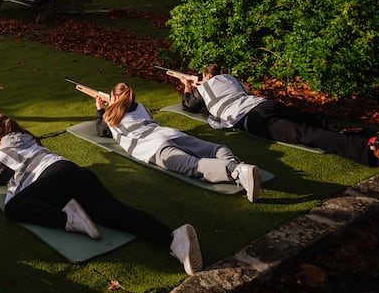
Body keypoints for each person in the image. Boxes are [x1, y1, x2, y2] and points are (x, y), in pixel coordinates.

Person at [0, 114, 203, 276]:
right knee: (115, 212)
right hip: (73, 171)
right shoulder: (27, 138)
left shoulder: (3, 149)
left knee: (13, 208)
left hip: (53, 179)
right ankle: (172, 238)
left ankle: (68, 219)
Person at [180, 64, 379, 168]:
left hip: (250, 119)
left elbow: (189, 106)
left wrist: (188, 87)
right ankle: (364, 135)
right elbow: (241, 91)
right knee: (310, 119)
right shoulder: (231, 78)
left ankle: (369, 151)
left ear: (206, 75)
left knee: (305, 134)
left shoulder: (204, 88)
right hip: (263, 104)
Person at [94, 81, 261, 202]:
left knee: (193, 166)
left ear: (114, 97)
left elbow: (102, 131)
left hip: (153, 148)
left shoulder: (109, 117)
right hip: (169, 134)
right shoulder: (141, 107)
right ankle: (236, 166)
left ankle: (237, 171)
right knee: (214, 149)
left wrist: (100, 110)